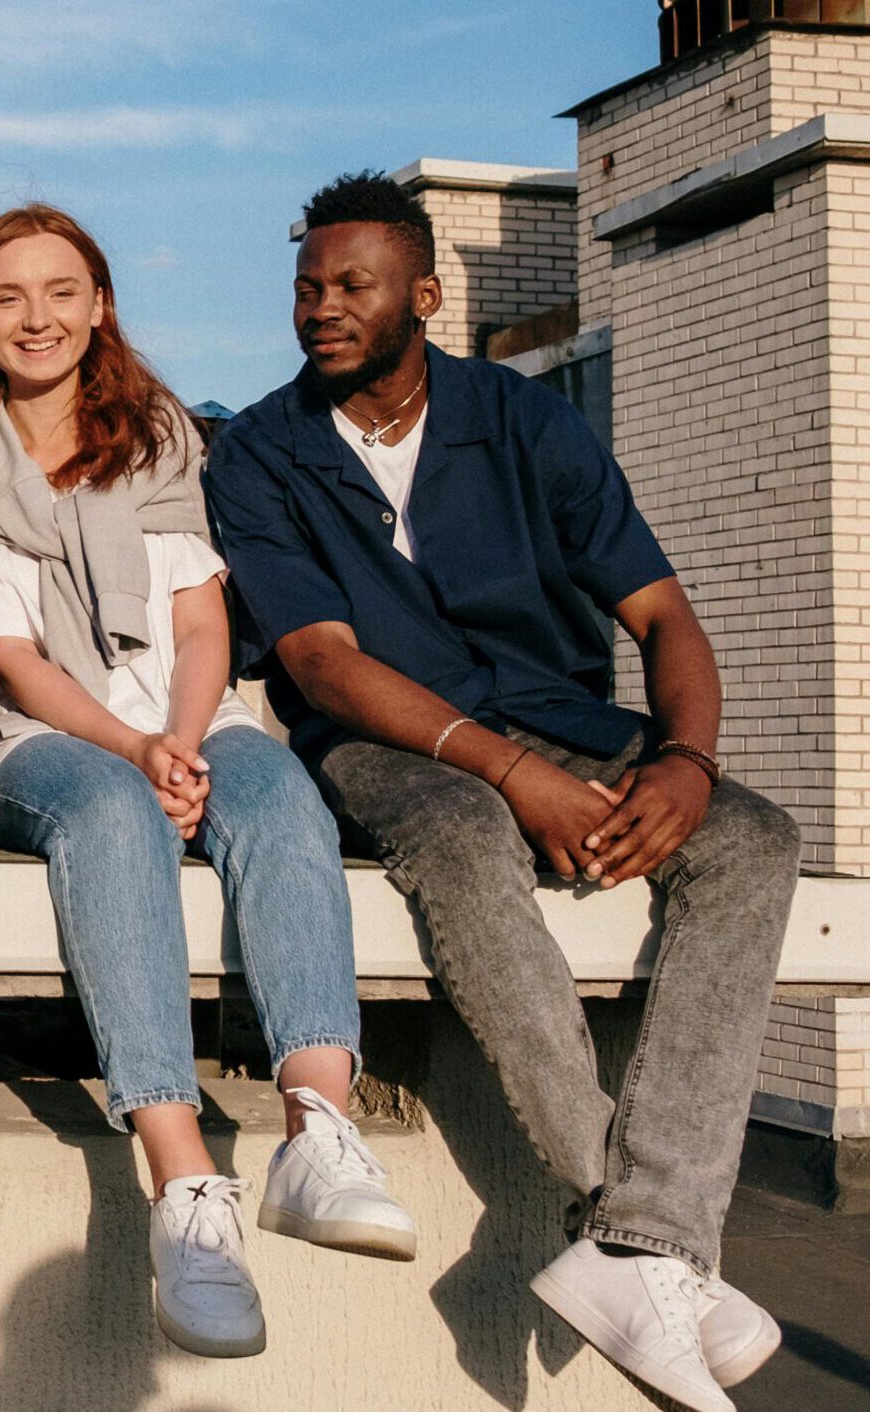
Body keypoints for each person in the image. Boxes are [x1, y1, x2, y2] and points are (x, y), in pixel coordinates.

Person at [205, 171, 797, 1412]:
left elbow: (662, 614)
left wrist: (684, 764)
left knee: (751, 838)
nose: (322, 306)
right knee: (466, 834)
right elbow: (321, 661)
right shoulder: (257, 451)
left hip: (568, 720)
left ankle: (644, 1240)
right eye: (306, 286)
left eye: (351, 285)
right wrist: (514, 772)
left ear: (422, 294)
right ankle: (639, 1234)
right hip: (386, 742)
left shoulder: (527, 425)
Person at [0, 204, 416, 1361]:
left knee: (282, 794)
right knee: (107, 817)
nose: (37, 317)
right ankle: (184, 1188)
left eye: (60, 291)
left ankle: (317, 1126)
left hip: (181, 712)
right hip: (47, 733)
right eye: (7, 297)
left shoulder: (156, 437)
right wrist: (136, 756)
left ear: (99, 304)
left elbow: (201, 624)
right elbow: (15, 665)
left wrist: (184, 740)